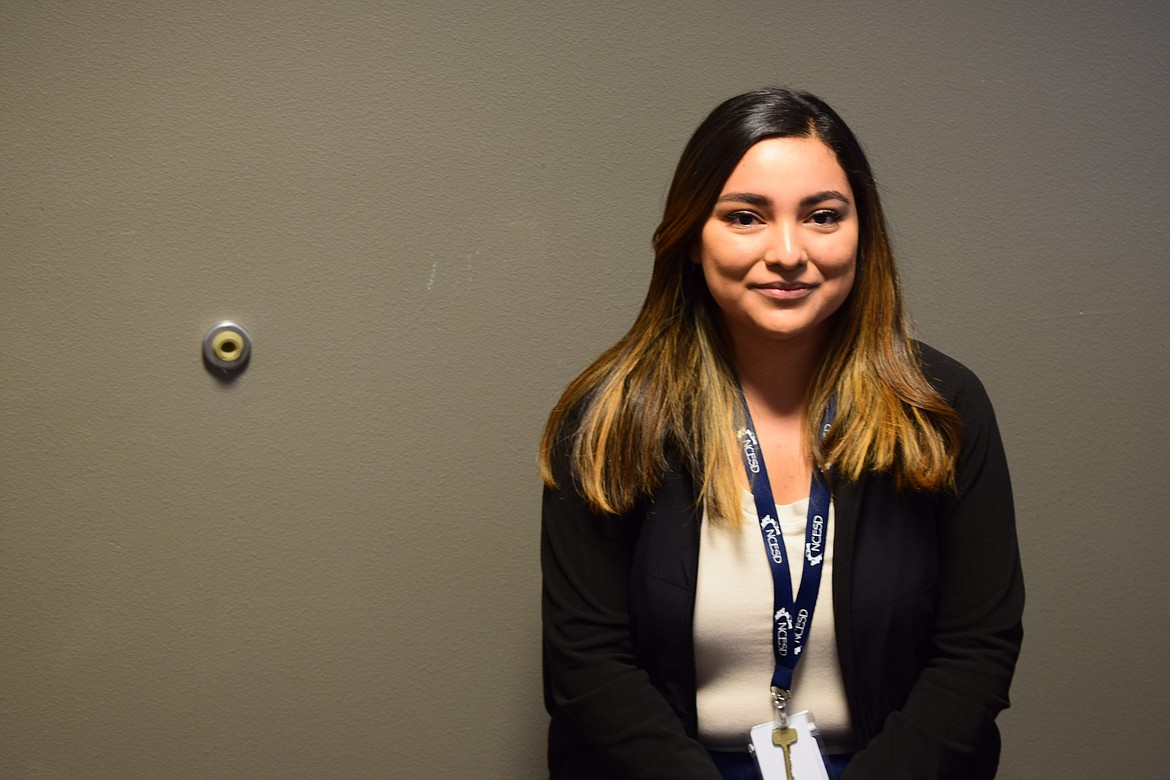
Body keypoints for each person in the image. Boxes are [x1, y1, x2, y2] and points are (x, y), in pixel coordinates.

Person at [538, 88, 1023, 780]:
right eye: (745, 217)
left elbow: (978, 651)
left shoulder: (942, 408)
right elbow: (588, 664)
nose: (788, 252)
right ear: (692, 240)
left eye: (823, 216)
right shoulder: (611, 416)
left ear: (863, 235)